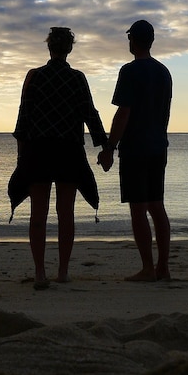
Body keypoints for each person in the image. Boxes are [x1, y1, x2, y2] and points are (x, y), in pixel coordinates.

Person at [9, 27, 111, 289]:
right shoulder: (77, 78)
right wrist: (105, 146)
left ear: (48, 47)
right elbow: (90, 113)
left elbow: (24, 118)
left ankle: (40, 273)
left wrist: (22, 156)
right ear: (70, 48)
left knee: (38, 214)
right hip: (68, 151)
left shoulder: (34, 76)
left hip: (39, 151)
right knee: (66, 213)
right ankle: (62, 271)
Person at [98, 20, 173, 282]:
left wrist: (109, 146)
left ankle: (149, 268)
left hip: (136, 149)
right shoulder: (164, 72)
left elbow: (123, 113)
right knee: (157, 206)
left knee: (139, 209)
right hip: (157, 146)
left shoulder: (129, 71)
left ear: (132, 40)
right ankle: (162, 266)